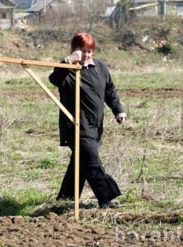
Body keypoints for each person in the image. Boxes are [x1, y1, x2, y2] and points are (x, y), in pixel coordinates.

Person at [49, 32, 127, 209]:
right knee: (92, 162)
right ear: (74, 50)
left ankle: (65, 197)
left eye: (89, 51)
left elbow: (110, 91)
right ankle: (105, 199)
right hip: (75, 125)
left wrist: (118, 111)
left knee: (80, 162)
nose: (86, 55)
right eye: (82, 51)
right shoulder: (69, 70)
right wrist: (68, 61)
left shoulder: (100, 67)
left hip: (95, 126)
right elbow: (55, 79)